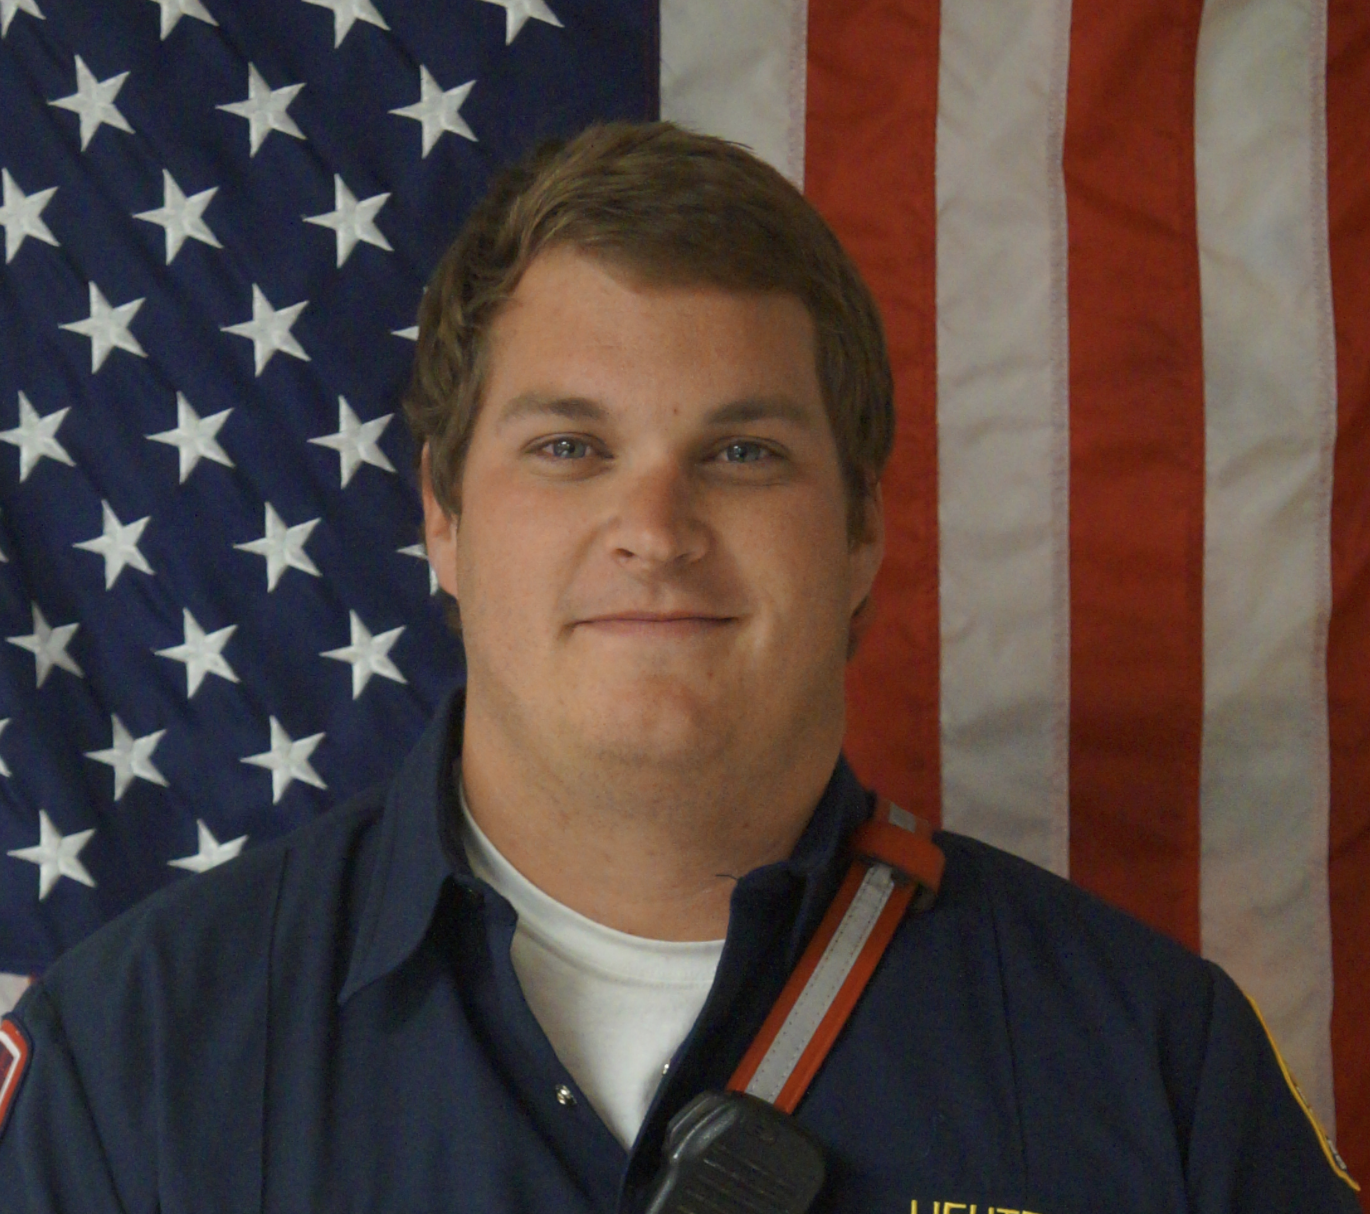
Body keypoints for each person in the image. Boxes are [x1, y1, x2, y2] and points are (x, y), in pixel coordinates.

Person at [0, 122, 1358, 1213]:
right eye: (567, 447)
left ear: (863, 531)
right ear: (442, 518)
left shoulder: (1152, 1064)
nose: (653, 529)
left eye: (742, 451)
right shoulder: (137, 1060)